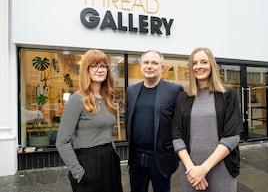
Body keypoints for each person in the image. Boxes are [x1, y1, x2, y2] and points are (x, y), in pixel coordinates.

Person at [172, 47, 244, 192]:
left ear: (212, 64)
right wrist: (193, 170)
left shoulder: (228, 95)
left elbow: (232, 136)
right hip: (190, 170)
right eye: (194, 63)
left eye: (204, 62)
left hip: (222, 168)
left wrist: (203, 169)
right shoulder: (183, 98)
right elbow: (176, 136)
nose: (198, 67)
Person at [56, 49, 123, 192]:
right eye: (94, 66)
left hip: (109, 161)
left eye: (104, 66)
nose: (100, 70)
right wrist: (78, 172)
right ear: (86, 69)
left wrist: (114, 156)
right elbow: (61, 141)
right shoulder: (77, 99)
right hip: (89, 163)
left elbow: (106, 132)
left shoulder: (107, 98)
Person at [126, 50, 184, 192]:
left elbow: (180, 124)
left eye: (154, 63)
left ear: (162, 68)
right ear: (141, 66)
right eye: (146, 62)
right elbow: (128, 119)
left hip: (161, 158)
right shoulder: (131, 91)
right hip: (136, 157)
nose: (149, 66)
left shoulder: (174, 90)